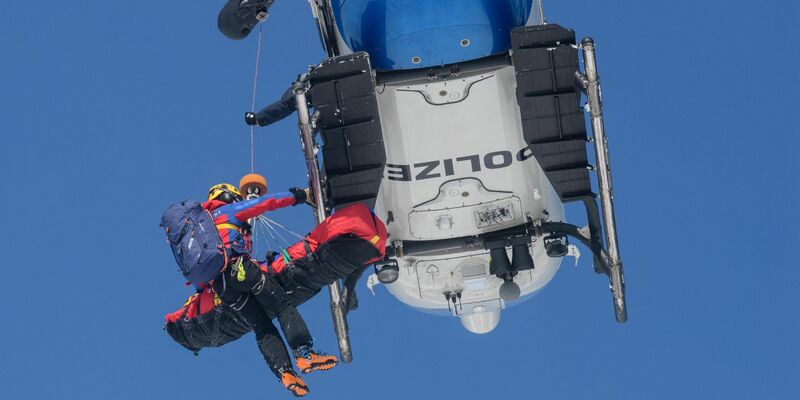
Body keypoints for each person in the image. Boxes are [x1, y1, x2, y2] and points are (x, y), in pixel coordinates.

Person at [204, 183, 337, 397]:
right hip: (240, 270)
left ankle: (285, 372)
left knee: (261, 325)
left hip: (222, 287)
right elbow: (266, 202)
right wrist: (299, 196)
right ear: (229, 197)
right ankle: (305, 353)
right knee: (282, 303)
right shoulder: (227, 211)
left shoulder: (206, 227)